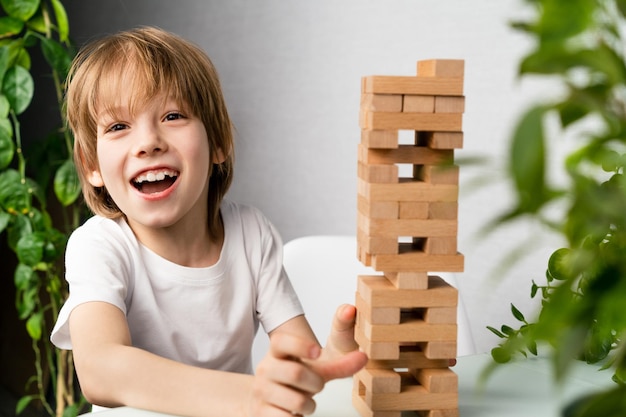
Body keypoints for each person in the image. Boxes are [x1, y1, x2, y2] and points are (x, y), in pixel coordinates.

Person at [50, 26, 367, 417]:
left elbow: (294, 376)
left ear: (218, 142)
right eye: (118, 126)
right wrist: (249, 396)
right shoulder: (98, 246)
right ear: (91, 165)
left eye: (172, 115)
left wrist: (328, 362)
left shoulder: (251, 234)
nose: (148, 142)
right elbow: (101, 370)